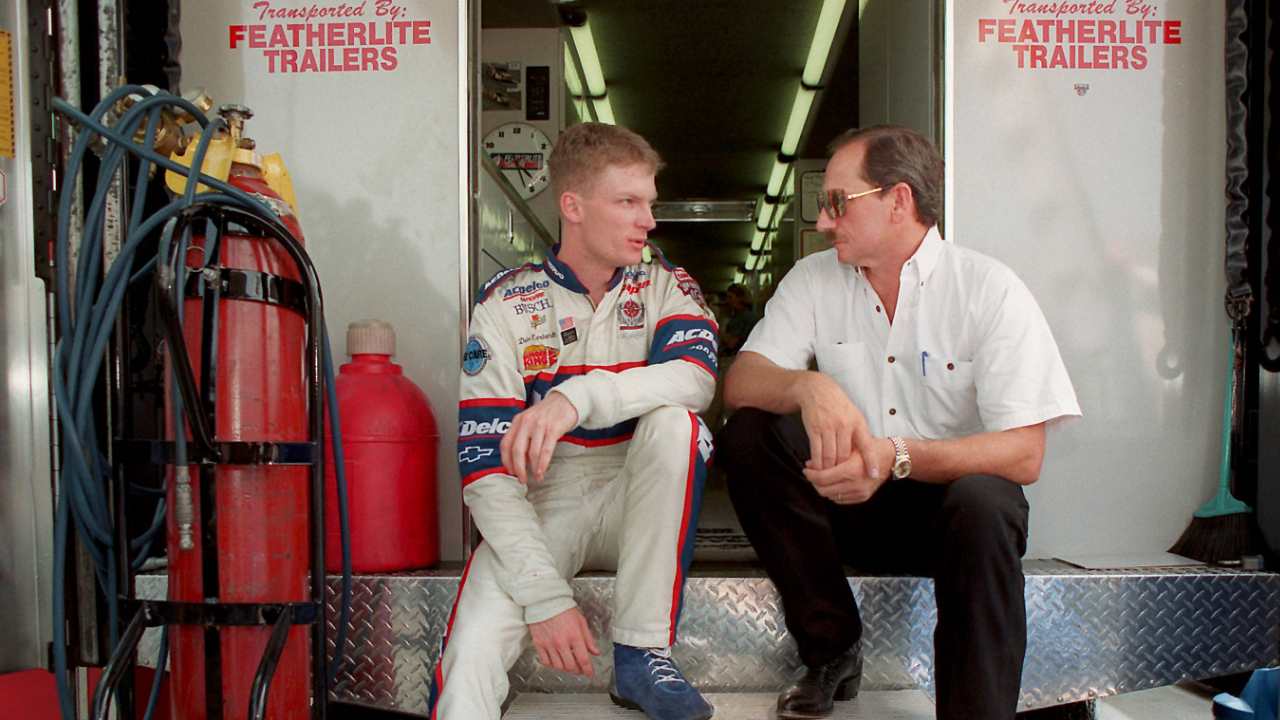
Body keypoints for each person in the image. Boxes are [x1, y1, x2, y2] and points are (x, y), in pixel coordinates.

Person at [717, 125, 1080, 720]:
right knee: (750, 436)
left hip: (948, 521)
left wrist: (897, 455)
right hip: (844, 508)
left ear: (899, 201)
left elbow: (1025, 455)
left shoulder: (987, 290)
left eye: (837, 202)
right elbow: (741, 383)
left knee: (988, 502)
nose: (824, 221)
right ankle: (832, 647)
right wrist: (809, 384)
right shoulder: (813, 281)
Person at [431, 122, 719, 720]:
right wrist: (544, 597)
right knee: (469, 654)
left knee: (677, 426)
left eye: (650, 203)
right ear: (574, 207)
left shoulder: (666, 285)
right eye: (628, 202)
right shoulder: (507, 305)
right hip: (545, 497)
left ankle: (642, 653)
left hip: (639, 491)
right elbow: (485, 471)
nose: (649, 221)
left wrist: (575, 397)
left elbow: (696, 379)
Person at [719, 283, 759, 356]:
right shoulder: (743, 315)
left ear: (740, 298)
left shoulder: (743, 317)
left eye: (730, 297)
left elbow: (732, 343)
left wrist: (719, 331)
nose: (728, 301)